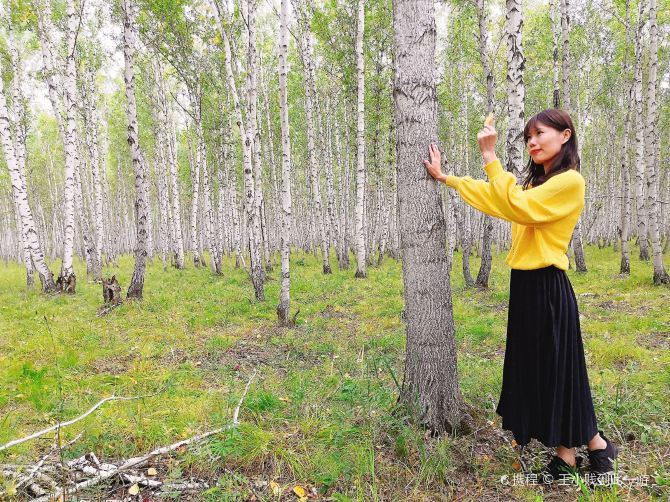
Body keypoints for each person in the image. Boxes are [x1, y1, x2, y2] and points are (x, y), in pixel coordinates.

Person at [423, 108, 618, 483]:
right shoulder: (539, 184)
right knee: (545, 371)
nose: (532, 142)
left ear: (565, 135)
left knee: (560, 370)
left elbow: (518, 206)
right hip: (526, 286)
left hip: (548, 286)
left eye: (539, 134)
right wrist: (447, 178)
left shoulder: (570, 182)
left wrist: (490, 158)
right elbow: (500, 200)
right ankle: (587, 447)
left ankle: (575, 453)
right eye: (528, 137)